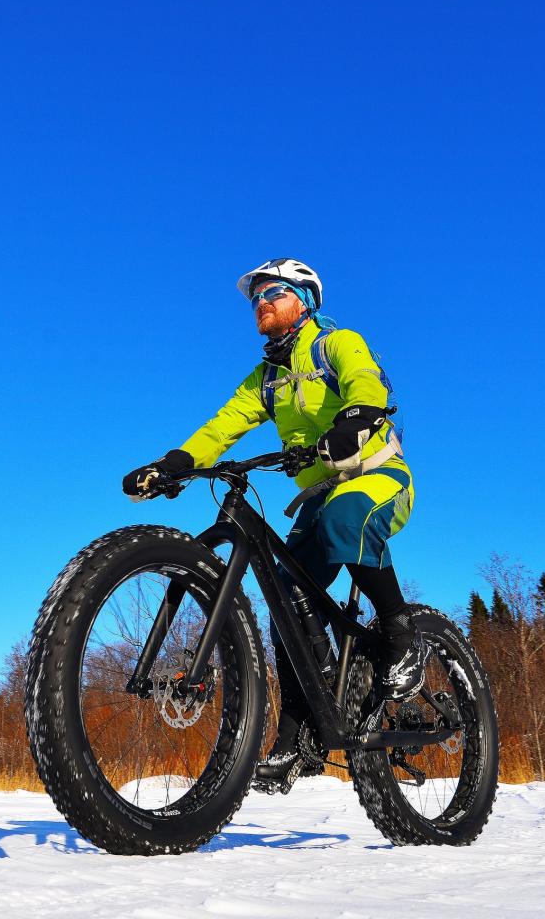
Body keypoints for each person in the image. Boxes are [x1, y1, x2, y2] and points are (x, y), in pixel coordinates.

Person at [122, 258, 425, 786]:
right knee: (285, 599)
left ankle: (403, 638)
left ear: (304, 301)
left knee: (344, 518)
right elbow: (223, 426)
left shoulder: (337, 344)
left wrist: (355, 420)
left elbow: (366, 386)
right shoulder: (265, 378)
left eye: (274, 291)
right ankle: (300, 731)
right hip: (318, 492)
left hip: (378, 476)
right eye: (255, 295)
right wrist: (175, 464)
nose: (260, 300)